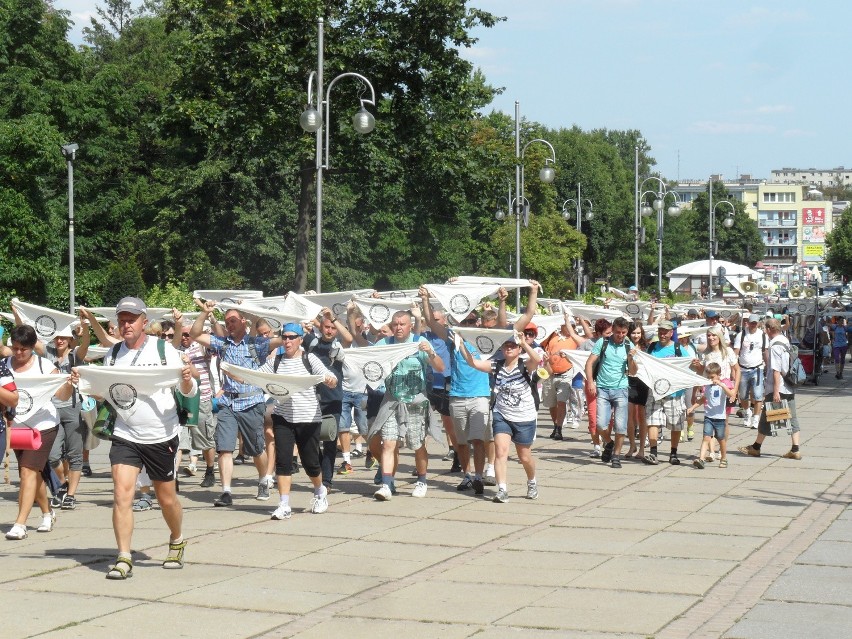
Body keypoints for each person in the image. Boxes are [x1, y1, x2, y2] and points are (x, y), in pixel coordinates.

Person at [97, 297, 197, 578]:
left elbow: (188, 391)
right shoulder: (113, 354)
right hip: (125, 433)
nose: (126, 324)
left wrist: (188, 380)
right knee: (121, 494)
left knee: (167, 499)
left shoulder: (164, 350)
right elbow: (109, 392)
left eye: (132, 319)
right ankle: (124, 557)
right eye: (122, 319)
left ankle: (176, 539)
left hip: (160, 434)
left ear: (144, 322)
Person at [189, 301, 282, 507]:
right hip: (228, 403)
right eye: (226, 321)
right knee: (225, 448)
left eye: (233, 320)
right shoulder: (223, 343)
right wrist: (205, 313)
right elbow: (195, 335)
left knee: (257, 449)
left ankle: (263, 479)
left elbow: (281, 341)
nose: (229, 324)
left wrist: (268, 316)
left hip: (252, 402)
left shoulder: (256, 343)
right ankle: (226, 491)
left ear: (243, 321)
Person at [262, 323, 337, 519]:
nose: (287, 341)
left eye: (291, 337)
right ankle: (284, 504)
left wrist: (330, 380)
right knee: (283, 461)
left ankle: (320, 492)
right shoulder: (275, 361)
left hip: (308, 417)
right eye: (284, 337)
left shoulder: (309, 358)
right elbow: (257, 376)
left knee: (310, 462)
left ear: (300, 340)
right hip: (283, 417)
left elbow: (329, 376)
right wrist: (233, 372)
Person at [5, 325, 74, 539]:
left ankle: (20, 524)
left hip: (43, 426)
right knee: (29, 475)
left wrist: (69, 383)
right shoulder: (3, 366)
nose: (18, 353)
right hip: (16, 427)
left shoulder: (45, 366)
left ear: (32, 347)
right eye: (15, 348)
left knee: (28, 472)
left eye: (23, 349)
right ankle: (47, 513)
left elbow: (62, 396)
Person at [458, 331, 542, 502]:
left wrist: (524, 343)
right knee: (501, 451)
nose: (509, 348)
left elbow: (537, 360)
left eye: (513, 346)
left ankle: (532, 481)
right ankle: (502, 489)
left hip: (524, 416)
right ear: (502, 349)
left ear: (519, 349)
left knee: (524, 456)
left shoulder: (525, 365)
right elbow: (473, 363)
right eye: (506, 345)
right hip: (501, 414)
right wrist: (460, 344)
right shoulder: (496, 365)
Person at [370, 310, 445, 501]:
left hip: (415, 402)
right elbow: (369, 362)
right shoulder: (383, 344)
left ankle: (422, 481)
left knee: (417, 445)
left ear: (410, 325)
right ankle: (387, 484)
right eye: (395, 324)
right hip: (391, 401)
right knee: (388, 443)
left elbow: (440, 367)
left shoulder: (419, 343)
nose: (398, 328)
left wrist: (429, 352)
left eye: (402, 324)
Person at [738, 318, 802, 460]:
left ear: (768, 330)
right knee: (782, 417)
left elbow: (776, 370)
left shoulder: (775, 345)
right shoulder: (785, 339)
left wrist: (776, 392)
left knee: (769, 417)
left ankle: (756, 448)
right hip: (789, 386)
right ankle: (794, 449)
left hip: (778, 388)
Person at [585, 317, 631, 469]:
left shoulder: (628, 344)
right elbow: (589, 362)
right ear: (613, 330)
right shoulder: (603, 342)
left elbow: (633, 371)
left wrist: (632, 359)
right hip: (603, 388)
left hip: (621, 388)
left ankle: (616, 455)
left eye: (624, 332)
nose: (620, 335)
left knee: (620, 426)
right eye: (618, 332)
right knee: (600, 424)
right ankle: (609, 443)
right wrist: (591, 381)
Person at [687, 362, 736, 469]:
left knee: (721, 439)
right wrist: (692, 407)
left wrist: (722, 385)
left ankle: (723, 458)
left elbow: (731, 394)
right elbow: (703, 399)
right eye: (709, 377)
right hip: (708, 416)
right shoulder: (708, 387)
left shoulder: (722, 386)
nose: (711, 380)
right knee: (706, 437)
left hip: (720, 418)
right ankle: (701, 459)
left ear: (719, 375)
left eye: (712, 377)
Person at [540, 315, 577, 440]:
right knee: (552, 404)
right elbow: (540, 340)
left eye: (572, 326)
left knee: (562, 401)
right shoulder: (552, 335)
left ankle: (559, 428)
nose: (571, 328)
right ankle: (556, 425)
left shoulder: (574, 338)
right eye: (568, 325)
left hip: (566, 373)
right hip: (549, 373)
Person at [733, 314, 768, 429]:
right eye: (751, 322)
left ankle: (756, 418)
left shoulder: (763, 335)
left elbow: (765, 351)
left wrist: (768, 366)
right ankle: (747, 412)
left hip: (757, 368)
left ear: (758, 323)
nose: (753, 325)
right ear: (748, 322)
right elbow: (736, 352)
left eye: (755, 323)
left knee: (758, 395)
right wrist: (734, 367)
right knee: (743, 395)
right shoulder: (741, 335)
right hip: (743, 369)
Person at [626, 321, 649, 459]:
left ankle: (641, 449)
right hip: (629, 380)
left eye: (638, 333)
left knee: (642, 416)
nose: (636, 335)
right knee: (629, 415)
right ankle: (631, 445)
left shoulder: (646, 347)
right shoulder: (625, 346)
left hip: (643, 382)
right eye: (633, 333)